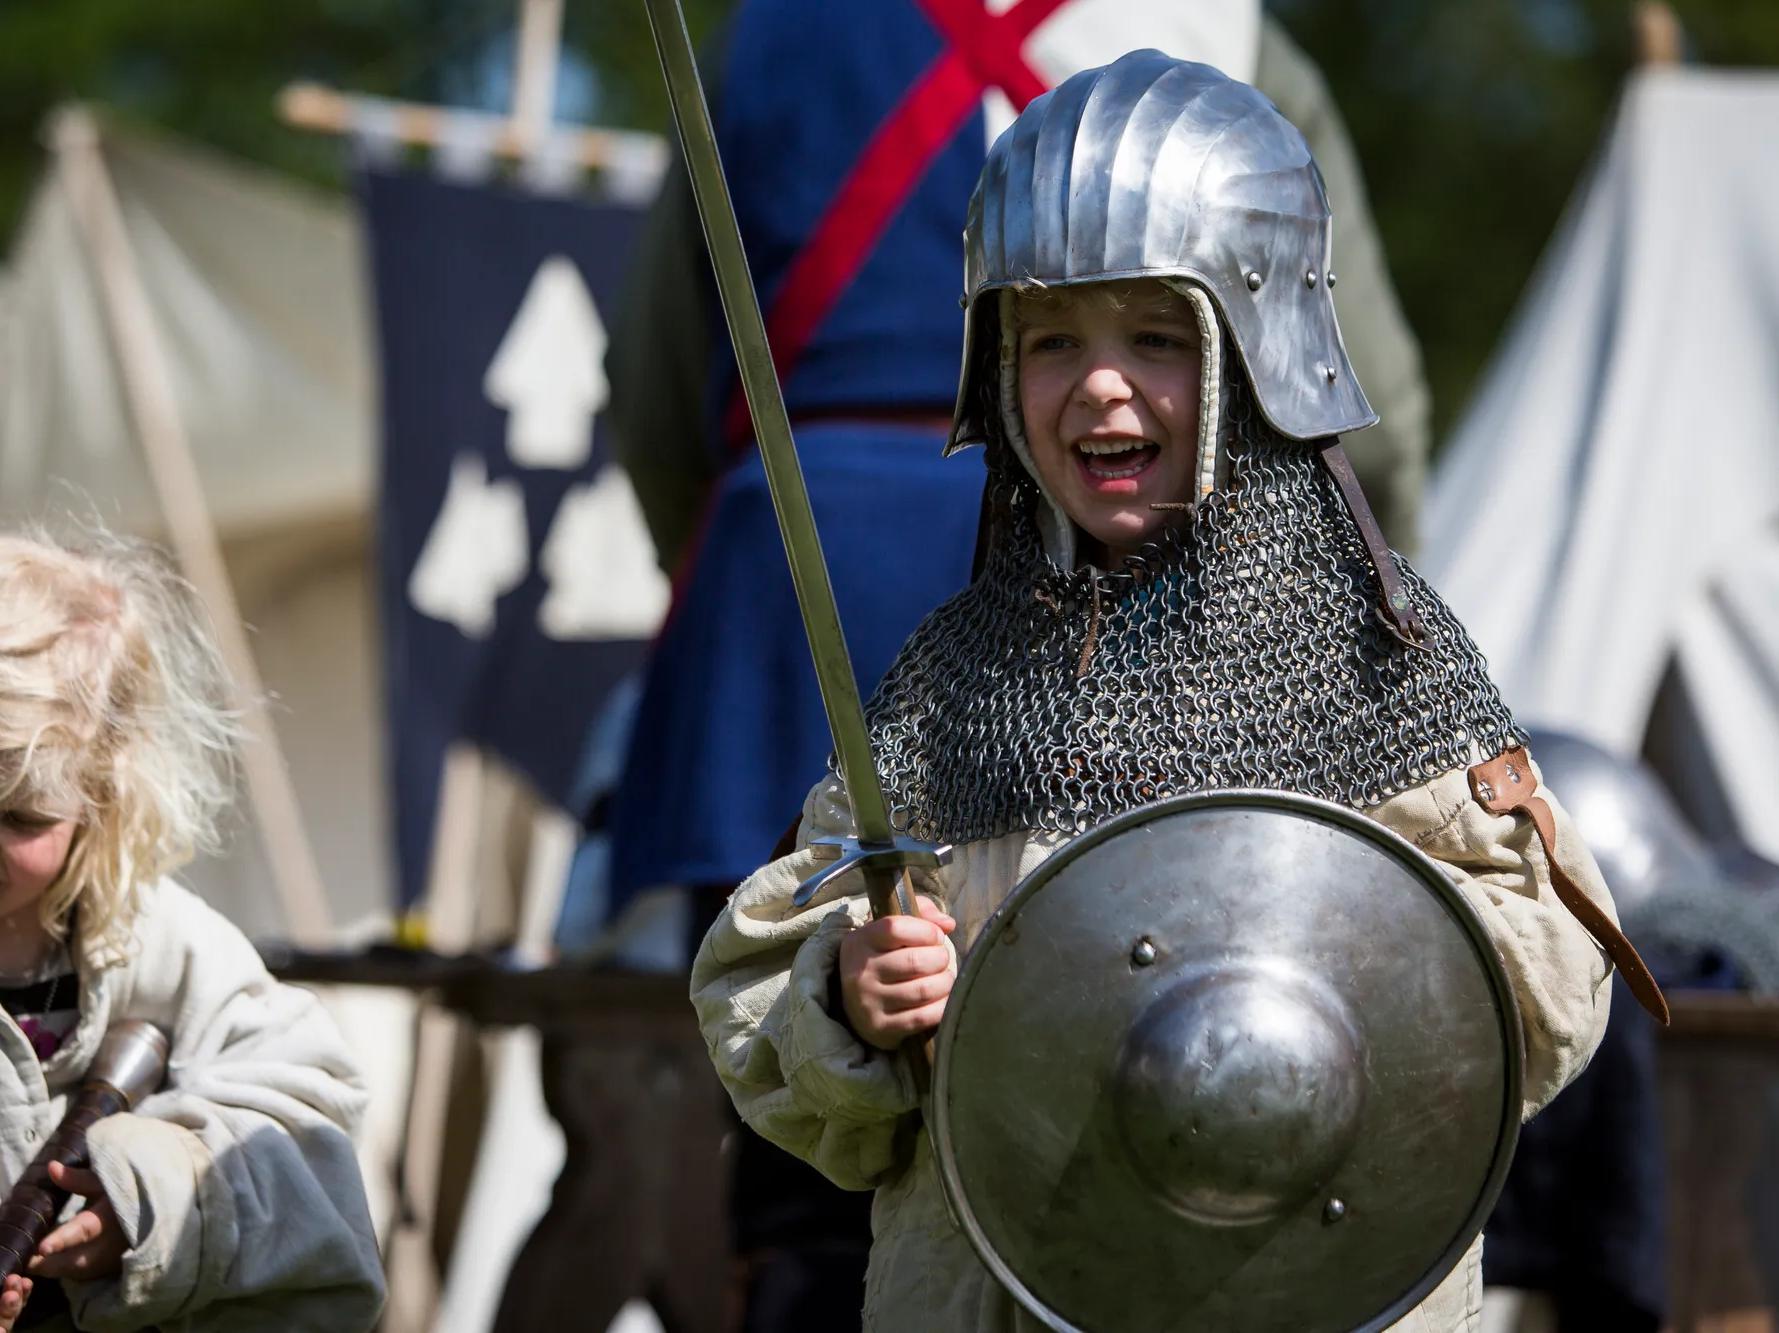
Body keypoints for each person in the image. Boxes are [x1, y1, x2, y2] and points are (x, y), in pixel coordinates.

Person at [692, 53, 1651, 1332]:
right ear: (992, 371)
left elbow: (1543, 971)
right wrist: (854, 997)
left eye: (1156, 336)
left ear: (1260, 357)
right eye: (1049, 343)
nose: (1098, 384)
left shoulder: (1372, 656)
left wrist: (1368, 984)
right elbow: (762, 976)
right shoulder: (957, 680)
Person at [0, 528, 386, 1331]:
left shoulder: (165, 941)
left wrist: (151, 1200)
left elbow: (304, 1114)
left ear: (102, 797)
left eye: (22, 814)